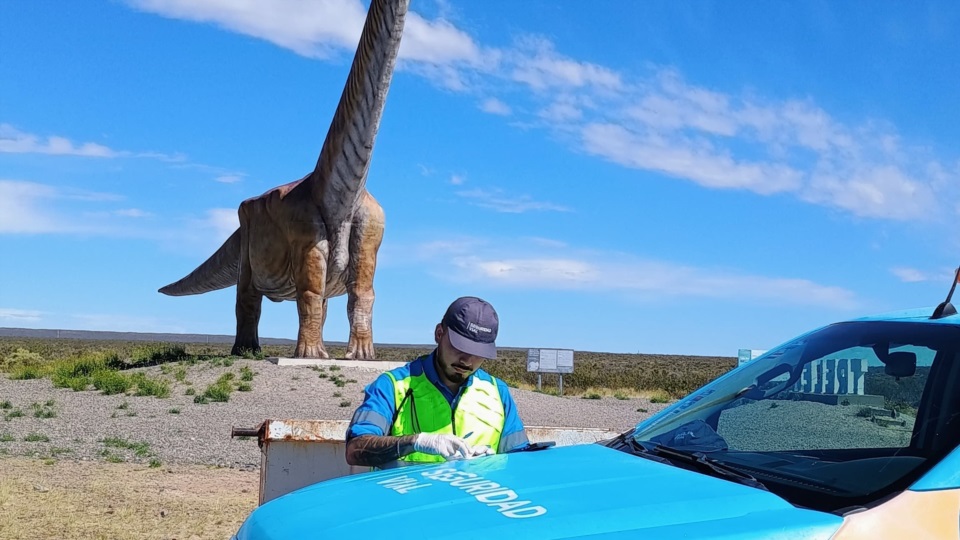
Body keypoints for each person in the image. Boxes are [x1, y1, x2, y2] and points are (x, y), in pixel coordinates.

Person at [345, 296, 529, 467]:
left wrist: (496, 463)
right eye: (460, 347)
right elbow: (355, 449)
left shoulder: (498, 392)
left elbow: (520, 462)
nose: (467, 361)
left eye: (478, 353)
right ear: (439, 333)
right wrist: (416, 442)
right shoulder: (392, 386)